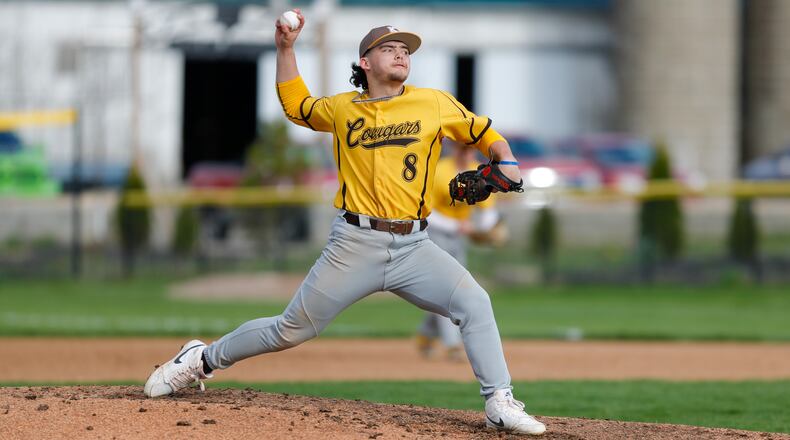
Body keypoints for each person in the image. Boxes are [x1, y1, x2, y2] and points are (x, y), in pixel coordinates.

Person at [144, 11, 545, 436]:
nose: (400, 54)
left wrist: (507, 161)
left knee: (475, 303)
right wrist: (285, 49)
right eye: (388, 48)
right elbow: (297, 106)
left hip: (415, 247)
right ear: (365, 64)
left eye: (405, 50)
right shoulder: (341, 108)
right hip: (354, 243)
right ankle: (201, 359)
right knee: (292, 329)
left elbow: (484, 131)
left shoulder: (433, 102)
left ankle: (499, 401)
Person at [416, 140, 504, 362]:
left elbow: (488, 212)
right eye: (462, 148)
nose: (466, 153)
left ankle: (426, 334)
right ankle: (453, 344)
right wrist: (459, 226)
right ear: (454, 149)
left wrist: (481, 228)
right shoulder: (439, 170)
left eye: (469, 149)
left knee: (451, 288)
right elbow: (426, 212)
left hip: (458, 238)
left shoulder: (479, 173)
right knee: (448, 288)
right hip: (433, 234)